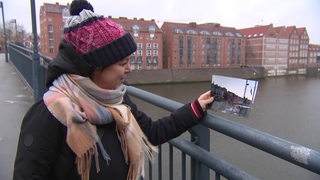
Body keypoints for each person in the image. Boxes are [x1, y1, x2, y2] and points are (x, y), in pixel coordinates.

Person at [13, 0, 214, 180]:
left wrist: (195, 108)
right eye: (123, 62)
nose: (130, 68)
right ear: (97, 66)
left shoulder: (119, 101)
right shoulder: (49, 114)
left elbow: (153, 132)